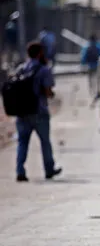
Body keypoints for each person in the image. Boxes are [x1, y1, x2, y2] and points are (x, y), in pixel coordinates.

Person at [15, 42, 62, 182]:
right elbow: (48, 91)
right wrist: (51, 94)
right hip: (39, 111)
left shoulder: (20, 69)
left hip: (22, 113)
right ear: (40, 53)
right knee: (45, 142)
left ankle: (20, 171)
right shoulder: (43, 70)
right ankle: (49, 170)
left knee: (22, 142)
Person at [80, 34, 100, 101]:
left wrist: (83, 64)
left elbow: (83, 56)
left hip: (90, 66)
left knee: (91, 80)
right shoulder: (99, 46)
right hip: (98, 65)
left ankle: (92, 92)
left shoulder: (87, 46)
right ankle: (98, 92)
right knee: (98, 80)